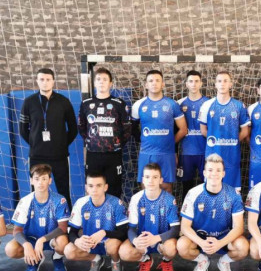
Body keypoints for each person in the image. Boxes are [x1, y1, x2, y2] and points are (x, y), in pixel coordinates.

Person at [177, 154, 249, 271]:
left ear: (223, 173)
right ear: (204, 173)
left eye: (218, 170)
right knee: (182, 246)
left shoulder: (233, 194)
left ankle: (224, 262)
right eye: (210, 170)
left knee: (243, 247)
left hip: (224, 238)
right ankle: (202, 260)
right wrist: (201, 242)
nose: (214, 174)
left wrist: (220, 243)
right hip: (200, 238)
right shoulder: (193, 193)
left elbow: (239, 227)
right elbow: (185, 226)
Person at [20, 68, 78, 208]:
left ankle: (67, 219)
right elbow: (23, 130)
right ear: (37, 81)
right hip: (37, 156)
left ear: (53, 81)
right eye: (42, 79)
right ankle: (36, 218)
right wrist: (36, 143)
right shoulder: (29, 102)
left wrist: (61, 144)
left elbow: (73, 129)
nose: (45, 82)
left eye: (48, 79)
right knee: (37, 191)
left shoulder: (64, 102)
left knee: (64, 191)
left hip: (59, 156)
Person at [4, 164, 70, 271]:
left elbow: (63, 228)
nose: (40, 183)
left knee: (63, 243)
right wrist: (26, 245)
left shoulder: (59, 200)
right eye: (37, 179)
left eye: (44, 179)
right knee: (10, 249)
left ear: (50, 181)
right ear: (31, 181)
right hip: (31, 239)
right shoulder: (25, 201)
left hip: (52, 238)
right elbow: (17, 230)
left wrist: (42, 240)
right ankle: (35, 259)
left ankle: (57, 258)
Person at [119, 163, 180, 271]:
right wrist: (135, 240)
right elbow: (131, 228)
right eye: (147, 177)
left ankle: (166, 261)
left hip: (162, 239)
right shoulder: (136, 199)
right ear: (143, 180)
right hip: (143, 241)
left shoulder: (169, 200)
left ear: (161, 180)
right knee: (124, 252)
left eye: (155, 177)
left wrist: (157, 238)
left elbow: (175, 229)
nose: (151, 181)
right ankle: (145, 259)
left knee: (171, 248)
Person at [63, 172, 128, 271]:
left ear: (105, 187)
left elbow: (124, 233)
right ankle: (96, 259)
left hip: (109, 243)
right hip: (90, 244)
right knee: (69, 251)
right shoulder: (81, 203)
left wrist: (104, 233)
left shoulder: (116, 203)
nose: (94, 189)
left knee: (113, 245)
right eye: (91, 186)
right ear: (86, 188)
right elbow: (72, 231)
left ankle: (116, 263)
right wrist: (77, 241)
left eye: (98, 185)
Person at [131, 70, 187, 193]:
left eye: (157, 80)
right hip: (147, 153)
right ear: (146, 85)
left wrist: (170, 143)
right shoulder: (138, 105)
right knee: (147, 188)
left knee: (166, 187)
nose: (154, 83)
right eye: (151, 81)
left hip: (167, 154)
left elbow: (183, 129)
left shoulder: (172, 104)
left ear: (163, 84)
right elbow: (132, 128)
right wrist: (144, 141)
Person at [78, 67, 131, 198]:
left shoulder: (119, 104)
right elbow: (81, 127)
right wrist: (91, 141)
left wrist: (117, 143)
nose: (101, 82)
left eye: (105, 79)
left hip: (113, 154)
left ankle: (114, 211)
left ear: (110, 83)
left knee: (114, 188)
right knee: (93, 188)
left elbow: (127, 129)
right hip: (93, 154)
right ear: (94, 83)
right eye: (98, 79)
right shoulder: (86, 104)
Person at [199, 71, 250, 192]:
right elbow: (203, 131)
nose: (222, 84)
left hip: (232, 156)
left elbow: (245, 131)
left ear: (230, 84)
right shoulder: (207, 105)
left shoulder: (239, 106)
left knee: (233, 192)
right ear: (215, 84)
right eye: (219, 81)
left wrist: (232, 141)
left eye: (225, 81)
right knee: (212, 191)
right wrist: (216, 141)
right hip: (212, 155)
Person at [177, 70, 209, 202]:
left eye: (196, 81)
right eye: (191, 81)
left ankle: (205, 210)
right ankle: (186, 211)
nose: (194, 84)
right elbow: (176, 130)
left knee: (206, 185)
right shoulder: (179, 104)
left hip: (205, 152)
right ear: (186, 84)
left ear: (201, 83)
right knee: (186, 187)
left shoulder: (209, 103)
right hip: (186, 153)